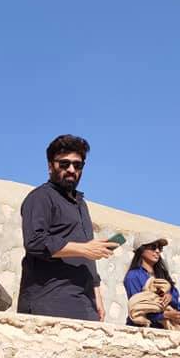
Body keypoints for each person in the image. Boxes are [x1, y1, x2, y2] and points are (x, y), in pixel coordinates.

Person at [17, 134, 117, 321]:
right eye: (64, 164)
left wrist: (97, 296)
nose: (71, 169)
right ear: (50, 166)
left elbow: (87, 255)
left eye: (77, 165)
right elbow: (35, 242)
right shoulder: (40, 197)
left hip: (85, 304)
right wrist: (85, 249)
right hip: (49, 303)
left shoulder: (81, 204)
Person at [123, 235, 180, 329]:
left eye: (160, 248)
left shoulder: (163, 276)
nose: (157, 251)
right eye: (153, 247)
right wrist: (165, 315)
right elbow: (137, 308)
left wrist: (170, 297)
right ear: (141, 250)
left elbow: (179, 302)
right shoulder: (133, 276)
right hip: (142, 330)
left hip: (165, 331)